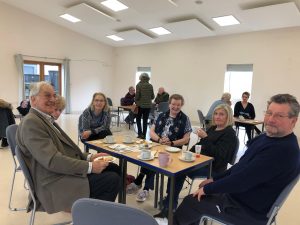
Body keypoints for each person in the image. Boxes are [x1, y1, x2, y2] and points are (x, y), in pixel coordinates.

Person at [172, 94, 300, 225]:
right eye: (269, 113)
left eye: (279, 116)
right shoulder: (267, 138)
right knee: (195, 200)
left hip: (247, 210)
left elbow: (243, 179)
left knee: (191, 202)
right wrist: (215, 180)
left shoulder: (282, 150)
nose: (271, 119)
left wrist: (208, 189)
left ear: (293, 121)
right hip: (241, 196)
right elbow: (240, 167)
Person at [16, 81, 121, 214]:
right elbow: (53, 161)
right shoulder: (32, 122)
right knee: (111, 180)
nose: (53, 99)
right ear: (33, 99)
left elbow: (65, 150)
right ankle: (91, 217)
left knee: (113, 168)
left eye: (54, 95)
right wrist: (90, 166)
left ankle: (93, 213)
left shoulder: (44, 119)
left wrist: (90, 157)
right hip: (53, 181)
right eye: (47, 96)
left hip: (58, 172)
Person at [155, 104, 237, 219]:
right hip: (200, 163)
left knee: (179, 172)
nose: (217, 117)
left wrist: (205, 138)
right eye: (216, 114)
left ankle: (170, 205)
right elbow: (200, 145)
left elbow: (220, 156)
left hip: (213, 169)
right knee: (176, 168)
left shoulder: (229, 134)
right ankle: (170, 203)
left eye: (221, 114)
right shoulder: (213, 128)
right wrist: (188, 153)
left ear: (228, 117)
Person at [126, 94, 192, 202]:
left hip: (174, 150)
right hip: (157, 144)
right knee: (149, 157)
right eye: (173, 104)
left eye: (178, 105)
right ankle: (141, 184)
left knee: (156, 161)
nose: (175, 107)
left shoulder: (185, 119)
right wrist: (159, 140)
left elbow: (186, 139)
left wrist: (171, 143)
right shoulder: (161, 115)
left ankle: (144, 186)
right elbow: (151, 131)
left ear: (182, 105)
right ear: (169, 104)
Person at [135, 73, 155, 139]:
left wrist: (135, 101)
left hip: (140, 105)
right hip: (148, 106)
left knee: (138, 119)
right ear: (148, 78)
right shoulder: (150, 85)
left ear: (140, 78)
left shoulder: (138, 85)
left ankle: (140, 134)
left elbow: (137, 96)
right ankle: (144, 135)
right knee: (145, 120)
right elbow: (152, 96)